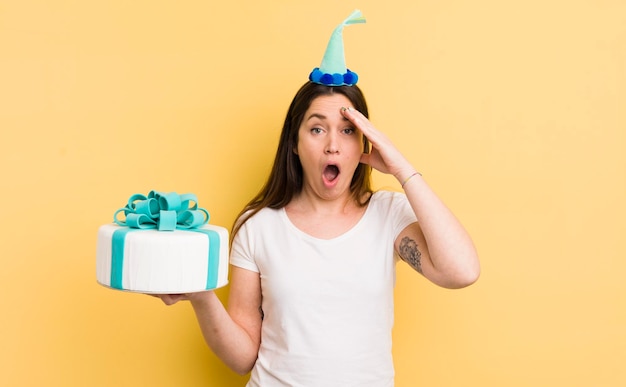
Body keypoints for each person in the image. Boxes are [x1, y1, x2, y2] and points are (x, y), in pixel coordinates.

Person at [158, 10, 479, 387]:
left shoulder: (388, 215)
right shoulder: (258, 226)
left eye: (347, 130)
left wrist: (402, 168)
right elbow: (243, 357)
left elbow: (462, 271)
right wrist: (201, 296)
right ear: (294, 144)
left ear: (364, 142)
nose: (332, 145)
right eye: (316, 129)